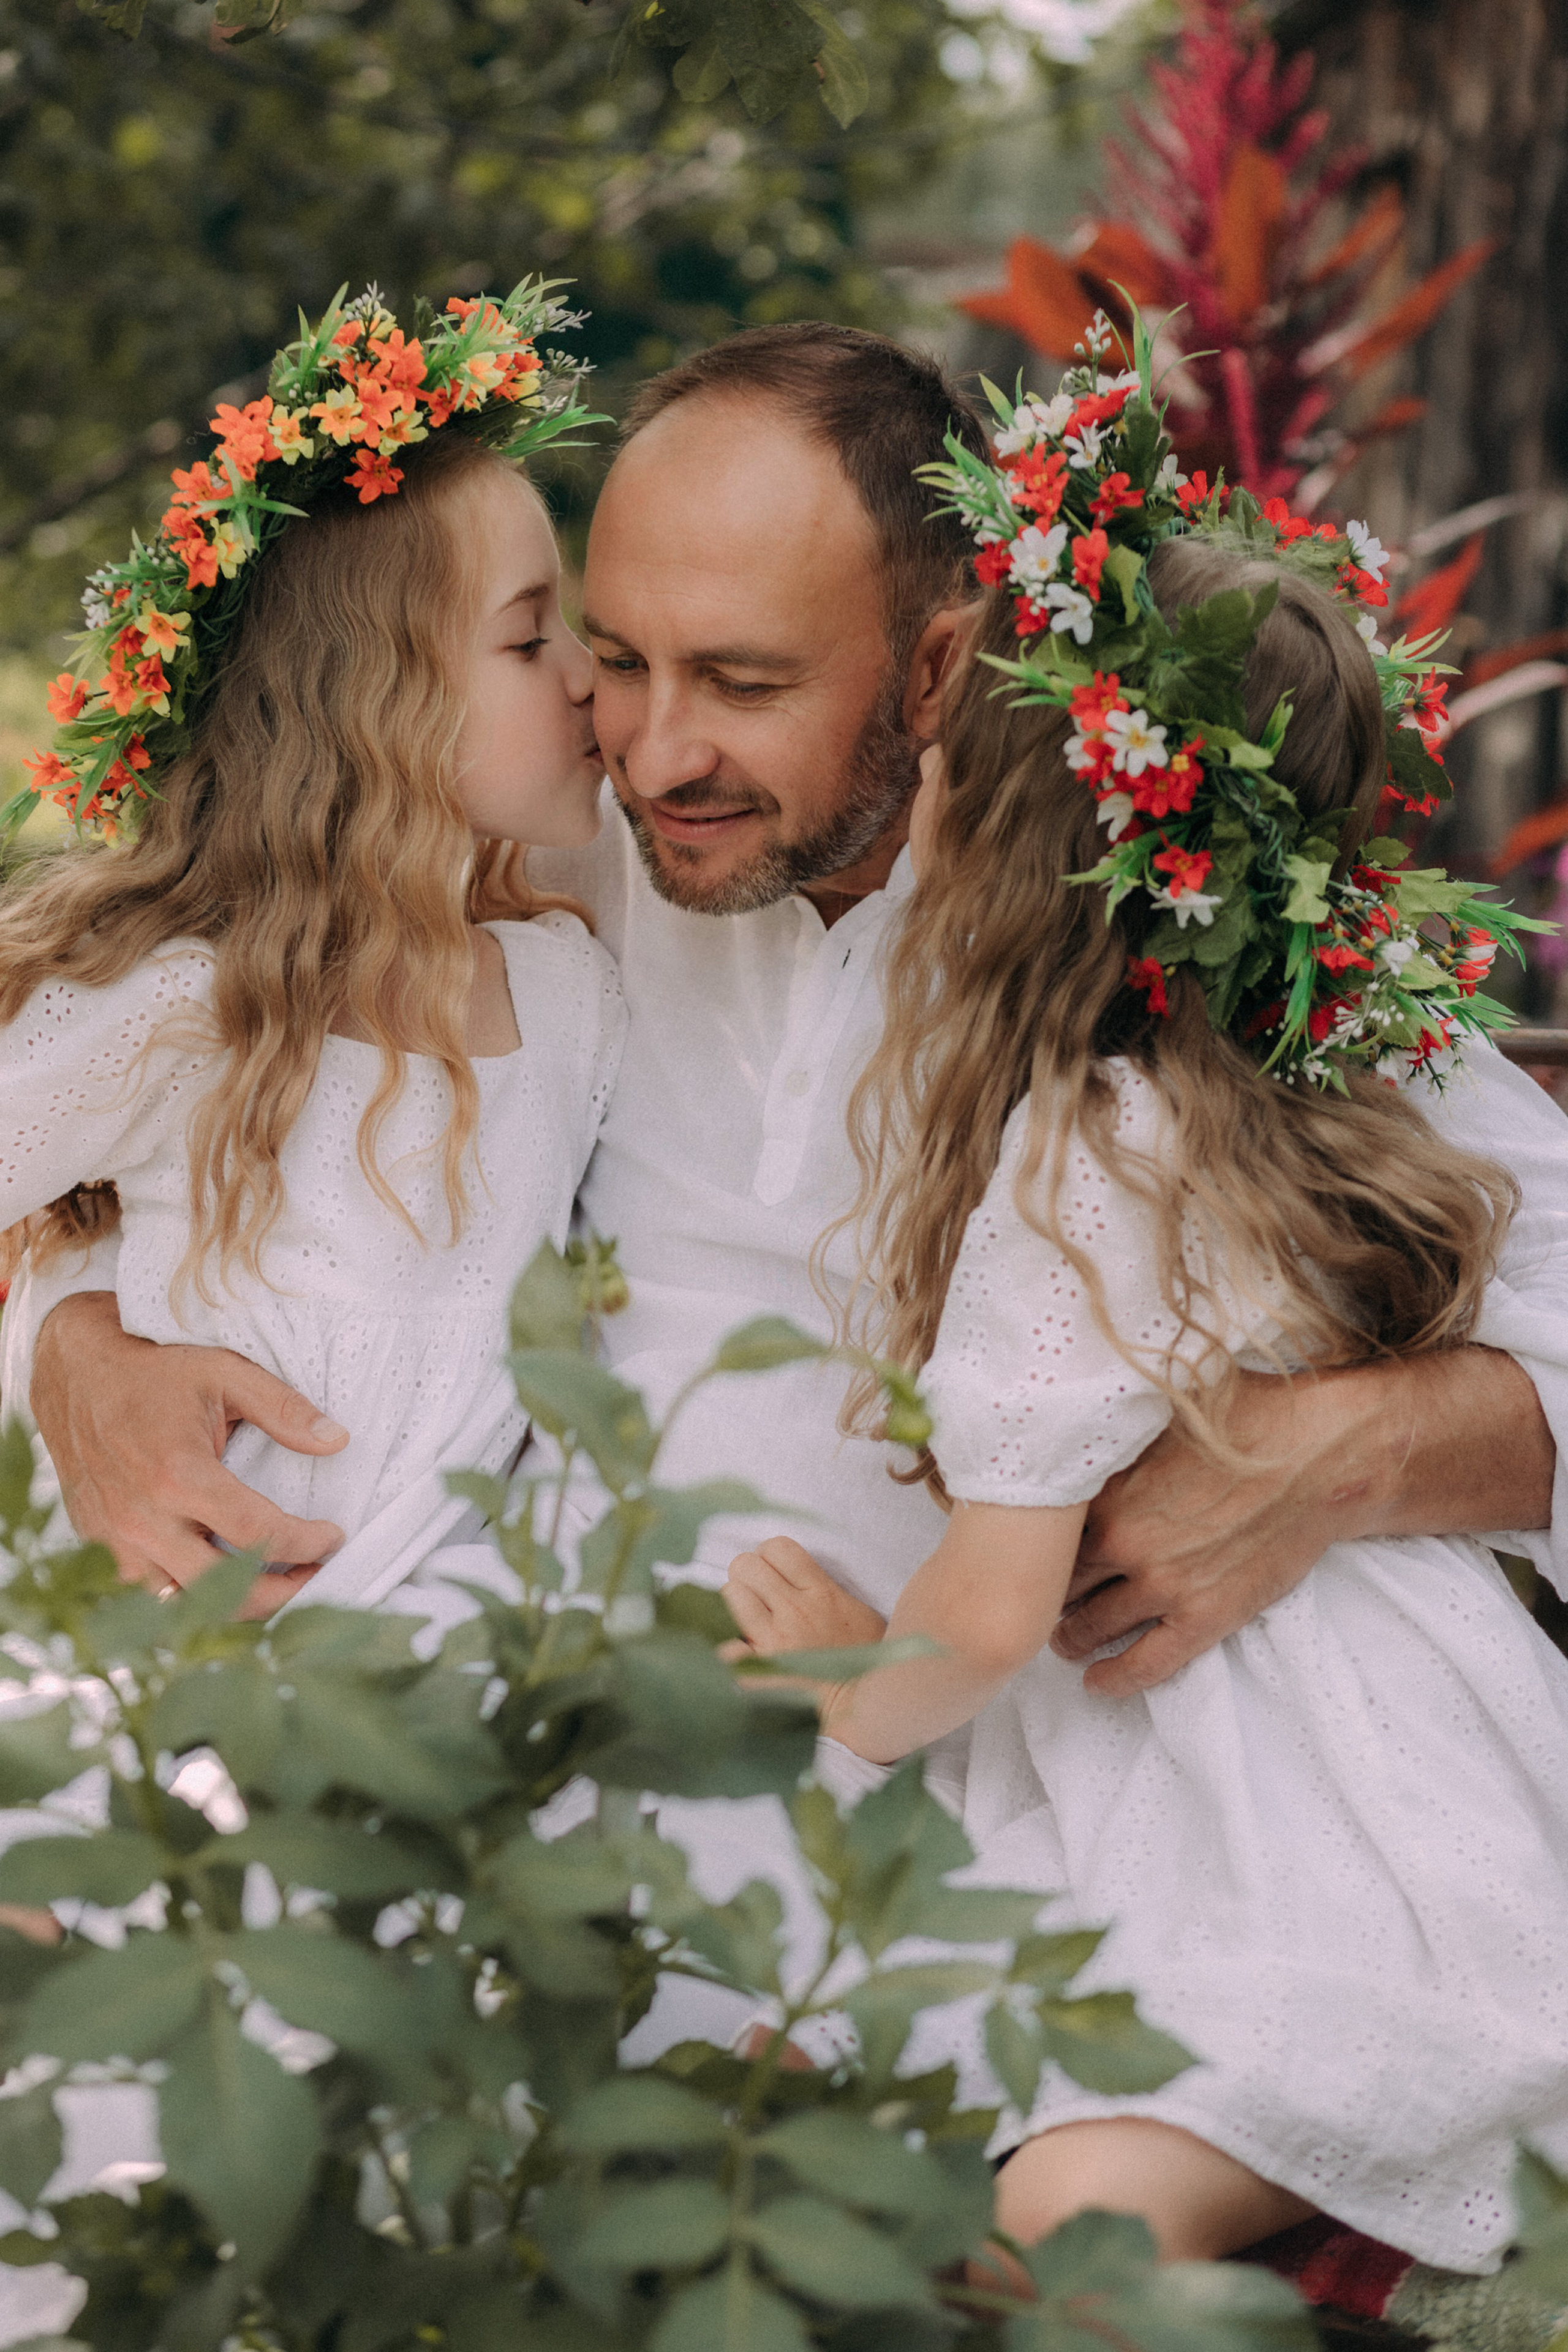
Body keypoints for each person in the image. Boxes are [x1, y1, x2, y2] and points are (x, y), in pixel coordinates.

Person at [12, 323, 1568, 1717]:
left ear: (938, 663)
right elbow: (231, 1117)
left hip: (968, 1750)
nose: (652, 748)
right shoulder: (544, 860)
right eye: (612, 659)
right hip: (535, 1714)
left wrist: (1326, 1463)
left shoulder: (1148, 926)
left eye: (741, 682)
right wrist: (75, 1353)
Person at [720, 367, 1568, 2275]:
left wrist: (845, 1683)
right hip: (1436, 1775)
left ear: (1015, 846)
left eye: (950, 758)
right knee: (879, 2122)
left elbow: (999, 1606)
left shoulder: (1068, 1174)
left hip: (1290, 1844)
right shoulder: (1299, 1081)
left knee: (1053, 2224)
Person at [0, 285, 623, 1626]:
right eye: (527, 638)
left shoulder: (572, 996)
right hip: (167, 1636)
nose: (585, 676)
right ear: (373, 712)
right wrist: (48, 1341)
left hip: (427, 1654)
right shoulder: (193, 1005)